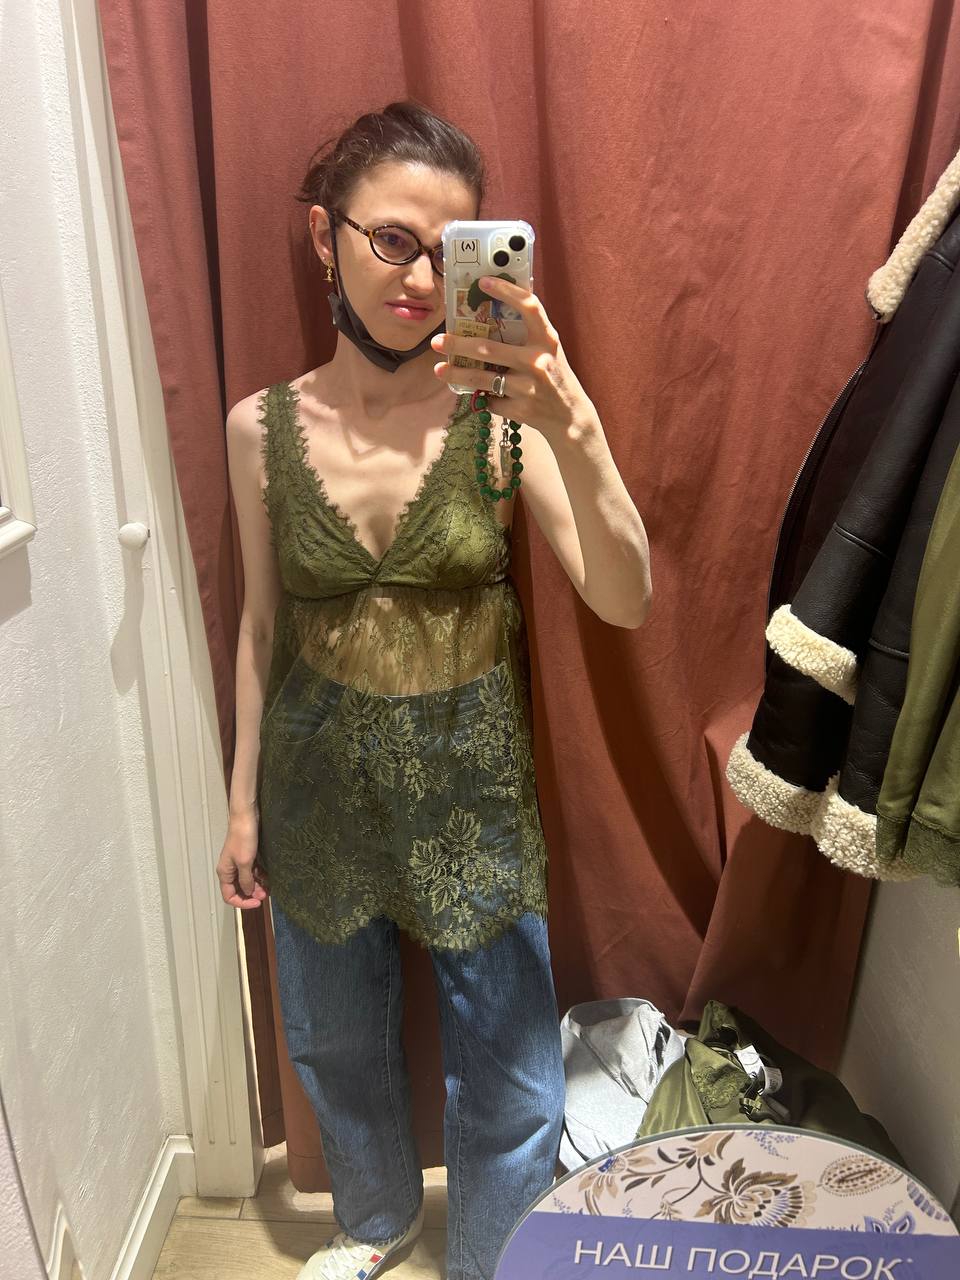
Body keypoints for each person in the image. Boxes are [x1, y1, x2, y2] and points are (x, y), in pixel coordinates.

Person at [216, 100, 651, 1280]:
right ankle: (372, 1221)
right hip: (314, 786)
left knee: (510, 1061)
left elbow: (625, 600)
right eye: (391, 239)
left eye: (448, 249)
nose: (417, 278)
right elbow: (260, 627)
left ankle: (496, 1253)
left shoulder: (503, 422)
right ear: (326, 235)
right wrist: (242, 802)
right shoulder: (259, 429)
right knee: (333, 1037)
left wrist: (575, 421)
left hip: (471, 788)